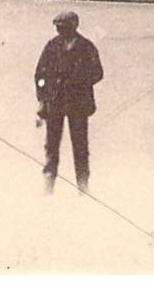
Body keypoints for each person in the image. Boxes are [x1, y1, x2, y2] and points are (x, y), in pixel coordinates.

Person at [34, 10, 104, 195]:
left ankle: (83, 186)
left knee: (80, 147)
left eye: (62, 27)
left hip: (78, 104)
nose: (59, 30)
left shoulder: (86, 46)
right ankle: (48, 186)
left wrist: (79, 81)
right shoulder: (52, 46)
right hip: (55, 102)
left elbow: (98, 73)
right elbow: (40, 75)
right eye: (57, 27)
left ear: (73, 26)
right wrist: (42, 98)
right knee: (51, 147)